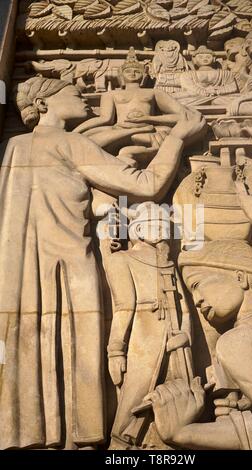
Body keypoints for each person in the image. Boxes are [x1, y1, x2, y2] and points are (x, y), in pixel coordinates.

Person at [0, 76, 205, 449]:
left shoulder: (11, 148)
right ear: (43, 104)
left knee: (28, 346)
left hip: (16, 274)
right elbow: (147, 185)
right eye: (71, 92)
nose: (84, 98)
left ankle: (28, 434)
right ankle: (82, 437)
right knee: (75, 345)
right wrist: (178, 137)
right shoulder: (72, 144)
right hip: (70, 267)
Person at [146, 239, 252, 450]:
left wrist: (185, 433)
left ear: (239, 276)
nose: (197, 300)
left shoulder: (236, 342)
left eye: (198, 285)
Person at [99, 202, 193, 449]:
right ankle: (120, 446)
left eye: (164, 224)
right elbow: (124, 307)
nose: (161, 229)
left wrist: (185, 335)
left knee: (179, 400)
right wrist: (115, 351)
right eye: (155, 224)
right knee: (134, 395)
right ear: (139, 229)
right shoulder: (123, 260)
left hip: (176, 343)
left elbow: (184, 308)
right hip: (144, 338)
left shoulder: (168, 263)